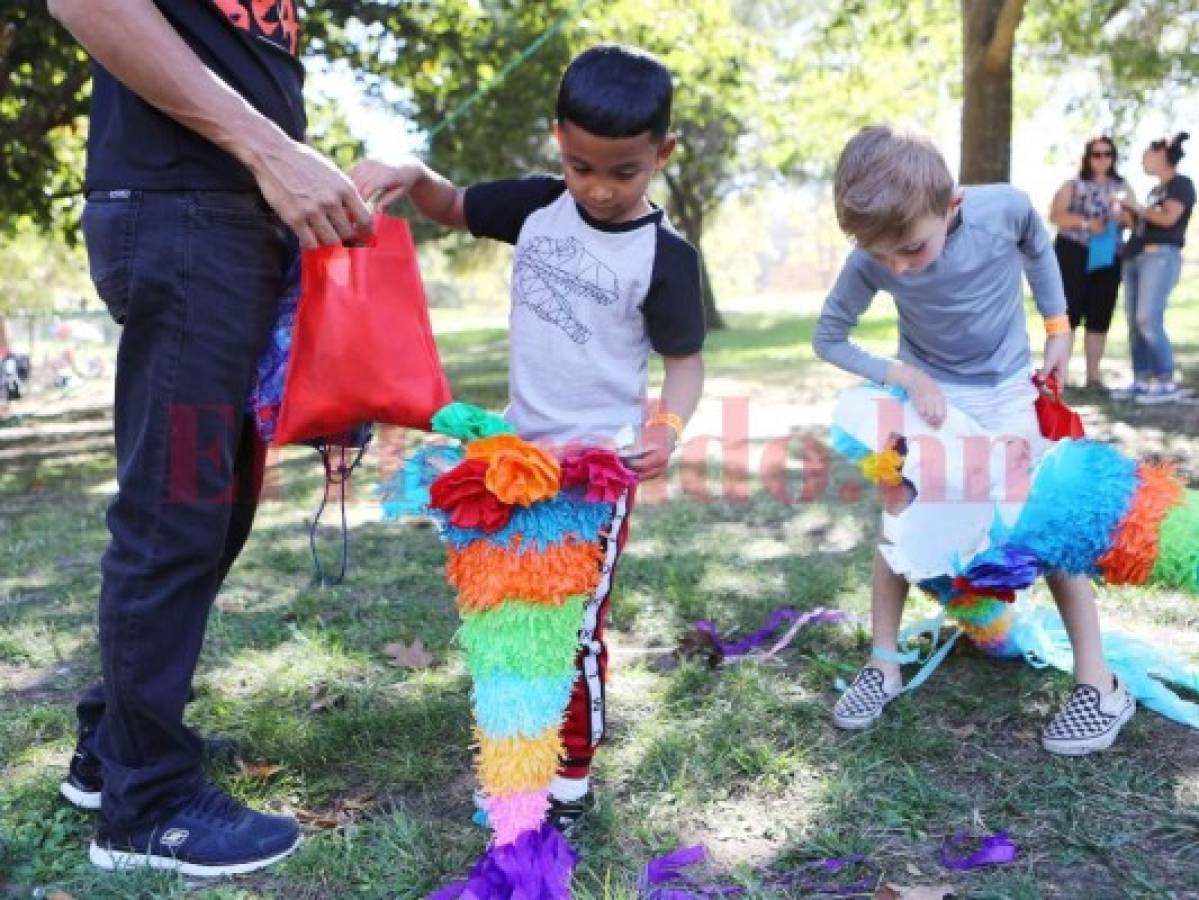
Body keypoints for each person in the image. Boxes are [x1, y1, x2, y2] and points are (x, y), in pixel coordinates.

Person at [49, 0, 371, 877]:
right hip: (182, 213)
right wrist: (271, 150)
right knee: (174, 513)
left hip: (228, 217)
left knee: (215, 510)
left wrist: (295, 169)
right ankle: (145, 807)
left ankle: (113, 746)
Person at [350, 44, 707, 833]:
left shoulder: (666, 257)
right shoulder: (536, 208)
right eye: (582, 166)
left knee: (575, 626)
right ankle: (519, 753)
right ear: (558, 141)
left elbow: (684, 364)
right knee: (517, 616)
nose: (601, 189)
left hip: (598, 472)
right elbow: (448, 206)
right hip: (515, 465)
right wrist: (409, 170)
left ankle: (568, 772)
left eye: (626, 171)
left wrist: (666, 428)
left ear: (662, 156)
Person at [813, 126, 1133, 756]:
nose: (898, 268)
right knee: (901, 523)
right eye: (884, 258)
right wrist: (904, 375)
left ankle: (1100, 683)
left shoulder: (1002, 208)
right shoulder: (872, 257)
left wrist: (1059, 328)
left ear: (951, 205)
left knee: (1045, 522)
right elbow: (829, 337)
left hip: (1012, 388)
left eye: (910, 248)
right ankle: (883, 664)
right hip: (934, 397)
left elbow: (1039, 244)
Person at [1114, 132, 1194, 404]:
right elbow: (1142, 223)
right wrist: (1128, 214)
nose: (1144, 160)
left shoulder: (1181, 185)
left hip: (1159, 258)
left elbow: (1168, 218)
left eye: (1148, 154)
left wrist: (1137, 206)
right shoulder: (1154, 191)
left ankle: (1166, 380)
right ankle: (1142, 379)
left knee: (1148, 318)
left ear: (1162, 155)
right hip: (1135, 258)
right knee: (1134, 322)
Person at [1048, 136, 1128, 391]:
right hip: (1073, 252)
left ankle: (1093, 377)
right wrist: (1086, 224)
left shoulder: (1122, 187)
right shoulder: (1073, 185)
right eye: (1097, 154)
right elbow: (1055, 215)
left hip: (1107, 256)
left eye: (1108, 153)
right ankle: (1061, 376)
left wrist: (1121, 214)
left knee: (1099, 315)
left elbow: (1134, 218)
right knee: (1067, 314)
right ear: (1087, 157)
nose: (1102, 159)